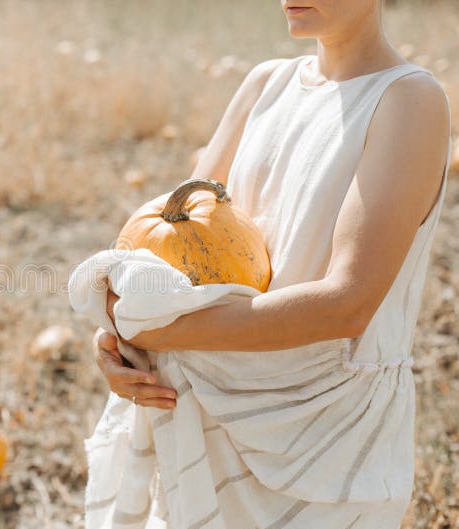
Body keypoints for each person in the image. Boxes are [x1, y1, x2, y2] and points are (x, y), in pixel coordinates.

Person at [89, 1, 450, 527]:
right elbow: (171, 247)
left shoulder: (408, 100)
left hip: (325, 441)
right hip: (210, 409)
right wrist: (117, 336)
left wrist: (155, 331)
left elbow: (347, 304)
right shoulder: (264, 85)